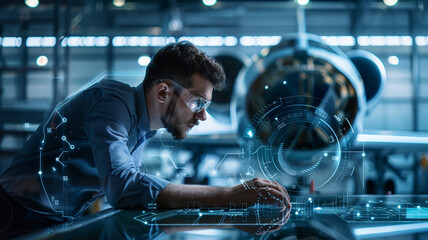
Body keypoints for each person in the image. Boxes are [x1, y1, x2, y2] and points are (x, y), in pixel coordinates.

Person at [0, 41, 291, 237]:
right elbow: (123, 187)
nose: (202, 117)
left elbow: (133, 195)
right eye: (198, 103)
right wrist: (230, 196)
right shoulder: (111, 103)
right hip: (16, 217)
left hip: (52, 221)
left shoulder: (141, 128)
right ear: (163, 92)